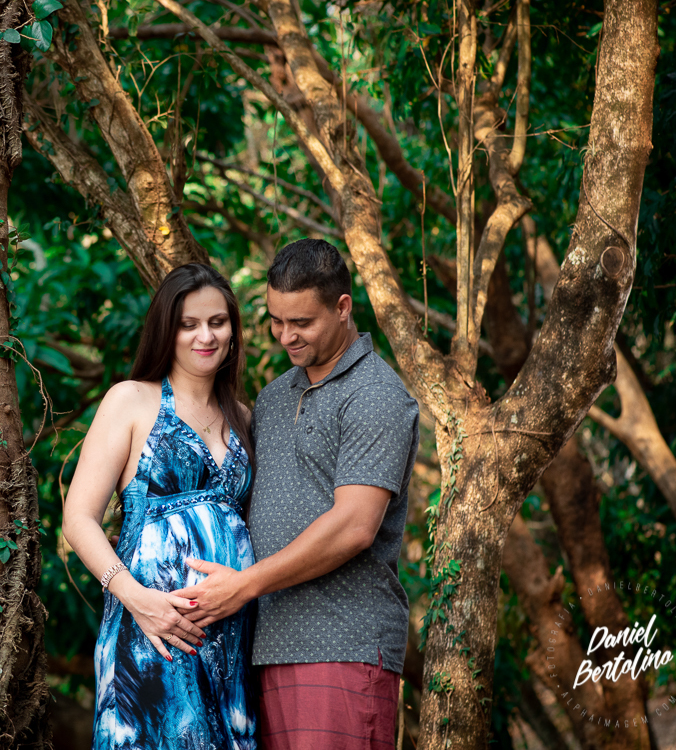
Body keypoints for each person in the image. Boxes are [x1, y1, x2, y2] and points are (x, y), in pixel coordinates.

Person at [175, 239, 419, 750]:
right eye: (275, 320)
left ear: (343, 308)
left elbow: (355, 526)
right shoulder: (273, 395)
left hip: (342, 643)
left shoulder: (375, 393)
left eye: (302, 323)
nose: (286, 335)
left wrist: (243, 585)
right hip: (266, 647)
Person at [61, 263, 258, 750]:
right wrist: (138, 599)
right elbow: (78, 519)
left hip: (232, 642)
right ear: (166, 331)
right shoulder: (130, 401)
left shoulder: (246, 418)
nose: (204, 336)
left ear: (233, 329)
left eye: (217, 322)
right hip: (151, 634)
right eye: (188, 324)